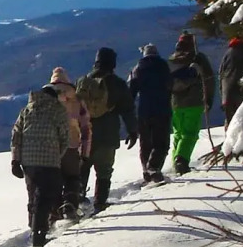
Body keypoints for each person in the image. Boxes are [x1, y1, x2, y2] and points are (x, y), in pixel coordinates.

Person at [75, 48, 138, 212]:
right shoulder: (117, 84)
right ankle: (100, 202)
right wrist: (133, 131)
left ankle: (77, 201)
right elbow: (128, 110)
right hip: (108, 133)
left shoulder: (82, 82)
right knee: (104, 171)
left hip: (84, 135)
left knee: (82, 168)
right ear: (113, 63)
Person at [10, 81, 70, 247]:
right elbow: (64, 137)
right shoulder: (57, 110)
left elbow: (16, 135)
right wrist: (57, 155)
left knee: (33, 195)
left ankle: (33, 229)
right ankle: (39, 235)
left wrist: (15, 160)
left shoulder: (26, 110)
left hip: (28, 161)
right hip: (49, 160)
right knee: (45, 198)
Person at [168, 31, 216, 174]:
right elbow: (209, 79)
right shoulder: (198, 59)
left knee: (178, 133)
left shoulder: (172, 60)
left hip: (175, 103)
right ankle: (181, 160)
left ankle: (176, 160)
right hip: (194, 101)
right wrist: (208, 99)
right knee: (190, 133)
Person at [48, 67, 91, 218]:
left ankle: (54, 214)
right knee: (72, 178)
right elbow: (86, 127)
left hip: (50, 147)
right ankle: (70, 207)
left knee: (53, 181)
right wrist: (85, 152)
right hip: (71, 145)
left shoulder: (46, 98)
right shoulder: (77, 99)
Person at [127, 43, 173, 182]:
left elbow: (131, 91)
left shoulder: (137, 68)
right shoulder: (163, 66)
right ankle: (154, 167)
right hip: (162, 109)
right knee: (161, 142)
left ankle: (146, 171)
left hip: (144, 110)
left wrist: (129, 111)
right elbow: (170, 85)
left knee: (145, 142)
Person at [218, 36, 243, 125]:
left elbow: (221, 75)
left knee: (232, 123)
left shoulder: (227, 54)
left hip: (228, 93)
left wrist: (223, 96)